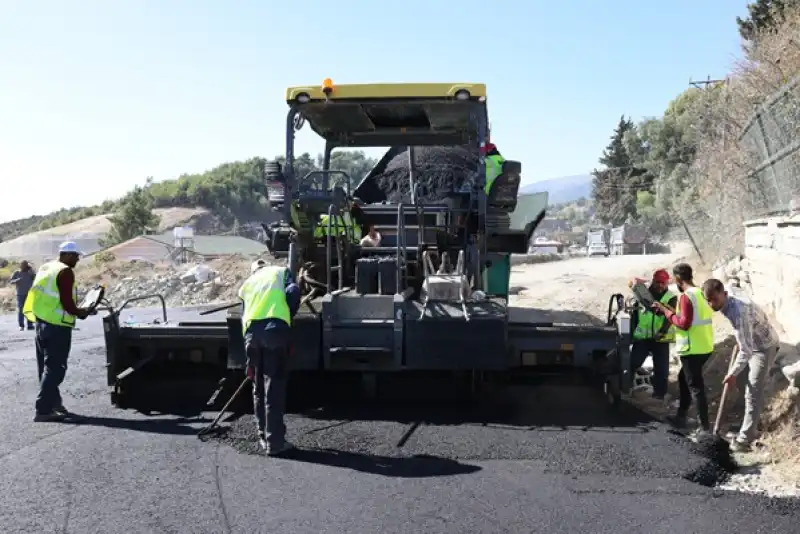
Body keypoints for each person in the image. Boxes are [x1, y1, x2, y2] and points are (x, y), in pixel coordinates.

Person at [702, 278, 780, 451]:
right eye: (708, 299)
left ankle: (745, 439)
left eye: (714, 299)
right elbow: (734, 284)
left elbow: (747, 350)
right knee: (744, 384)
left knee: (753, 390)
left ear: (724, 294)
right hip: (751, 341)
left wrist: (732, 373)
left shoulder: (738, 312)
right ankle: (750, 421)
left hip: (763, 347)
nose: (711, 303)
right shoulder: (729, 293)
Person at [23, 242, 96, 422]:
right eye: (76, 256)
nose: (78, 259)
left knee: (46, 368)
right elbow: (66, 302)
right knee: (56, 368)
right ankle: (43, 409)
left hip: (41, 323)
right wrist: (81, 312)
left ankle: (54, 403)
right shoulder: (65, 271)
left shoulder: (47, 267)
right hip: (57, 326)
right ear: (67, 255)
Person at [238, 259, 301, 456]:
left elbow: (244, 316)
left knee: (258, 387)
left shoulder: (247, 285)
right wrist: (287, 316)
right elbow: (293, 292)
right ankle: (275, 443)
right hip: (274, 330)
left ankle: (263, 436)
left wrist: (249, 358)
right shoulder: (281, 272)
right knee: (273, 387)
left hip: (251, 336)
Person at [651, 263, 714, 433]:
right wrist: (671, 311)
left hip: (691, 348)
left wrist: (666, 312)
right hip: (705, 346)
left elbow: (684, 324)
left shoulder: (686, 296)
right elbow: (694, 317)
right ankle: (681, 416)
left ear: (678, 280)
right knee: (683, 379)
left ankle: (704, 428)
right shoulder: (701, 292)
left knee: (695, 387)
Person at [629, 269, 677, 400]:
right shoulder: (643, 294)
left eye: (663, 283)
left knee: (662, 370)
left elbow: (670, 317)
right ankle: (627, 388)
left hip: (661, 338)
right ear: (653, 281)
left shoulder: (671, 297)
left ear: (667, 283)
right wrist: (632, 332)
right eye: (658, 282)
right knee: (633, 363)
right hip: (643, 338)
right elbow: (634, 314)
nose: (660, 285)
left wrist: (662, 332)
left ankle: (659, 395)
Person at [9, 260, 35, 331]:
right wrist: (17, 280)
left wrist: (31, 271)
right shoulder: (17, 272)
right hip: (20, 294)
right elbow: (11, 281)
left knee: (29, 309)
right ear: (20, 265)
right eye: (22, 265)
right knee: (21, 310)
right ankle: (21, 325)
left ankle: (30, 325)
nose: (24, 266)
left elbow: (35, 279)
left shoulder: (30, 273)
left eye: (25, 265)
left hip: (29, 294)